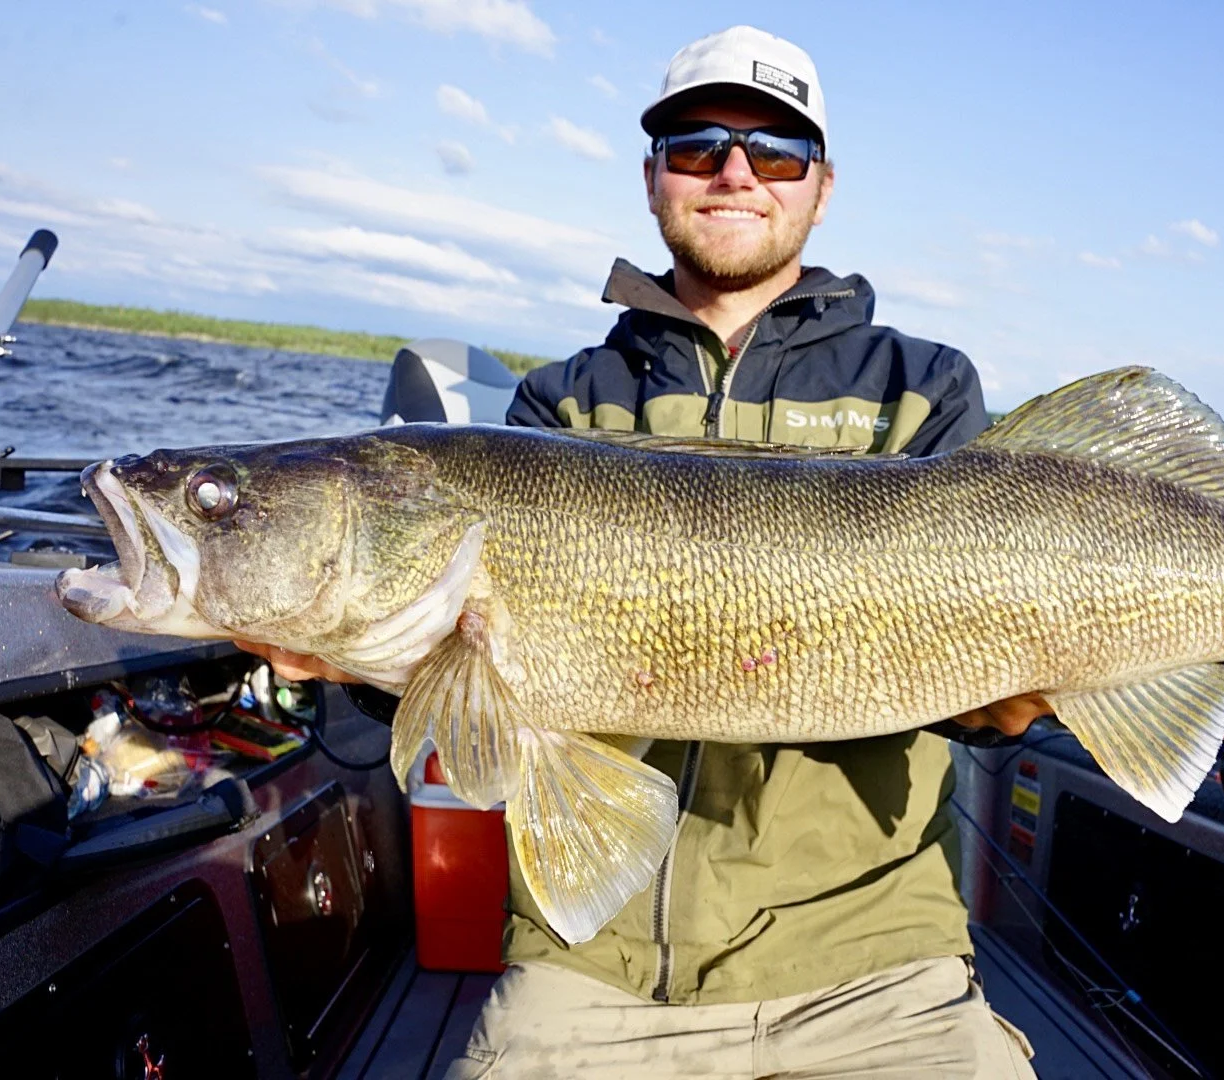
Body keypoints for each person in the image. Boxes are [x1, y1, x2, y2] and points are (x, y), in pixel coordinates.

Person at [243, 25, 1045, 1079]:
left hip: (874, 954)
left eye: (775, 152)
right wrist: (365, 664)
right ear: (651, 177)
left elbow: (982, 683)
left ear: (821, 186)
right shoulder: (555, 406)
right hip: (596, 960)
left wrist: (1010, 690)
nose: (733, 174)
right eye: (696, 144)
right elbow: (470, 714)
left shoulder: (921, 389)